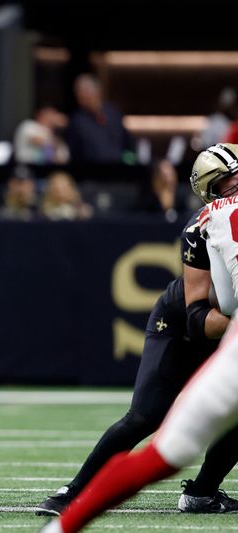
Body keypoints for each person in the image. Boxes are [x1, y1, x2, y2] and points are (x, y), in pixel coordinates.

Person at [38, 143, 238, 533]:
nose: (236, 187)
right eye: (227, 183)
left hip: (229, 330)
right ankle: (74, 491)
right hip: (185, 324)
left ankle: (202, 492)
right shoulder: (202, 228)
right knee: (147, 416)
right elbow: (197, 315)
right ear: (210, 193)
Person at [65, 73, 136, 164]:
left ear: (97, 91)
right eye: (78, 92)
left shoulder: (113, 114)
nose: (80, 95)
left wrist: (129, 164)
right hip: (89, 174)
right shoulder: (76, 121)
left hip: (118, 172)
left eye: (84, 91)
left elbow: (128, 145)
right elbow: (72, 153)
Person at [132, 158, 190, 223]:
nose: (169, 179)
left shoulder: (182, 203)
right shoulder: (146, 205)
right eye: (164, 176)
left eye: (171, 174)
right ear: (155, 180)